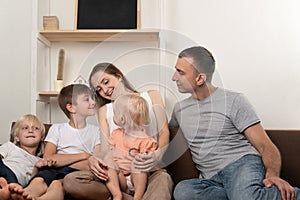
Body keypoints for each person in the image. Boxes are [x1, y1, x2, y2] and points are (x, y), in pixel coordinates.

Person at [169, 46, 300, 200]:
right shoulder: (179, 110)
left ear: (200, 79)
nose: (174, 77)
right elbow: (165, 135)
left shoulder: (234, 100)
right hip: (210, 179)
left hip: (241, 164)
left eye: (180, 72)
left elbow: (265, 145)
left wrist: (273, 176)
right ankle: (242, 196)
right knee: (183, 192)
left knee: (244, 196)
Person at [63, 62, 173, 200]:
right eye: (99, 89)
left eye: (106, 82)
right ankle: (123, 196)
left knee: (164, 179)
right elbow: (105, 149)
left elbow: (164, 132)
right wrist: (93, 159)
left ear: (118, 76)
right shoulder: (105, 111)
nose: (105, 90)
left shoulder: (152, 96)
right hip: (117, 175)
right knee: (71, 181)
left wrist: (157, 155)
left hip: (147, 170)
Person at [10, 84, 101, 200]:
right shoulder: (57, 129)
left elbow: (95, 162)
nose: (93, 103)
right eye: (87, 99)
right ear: (71, 108)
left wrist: (62, 161)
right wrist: (84, 155)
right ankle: (23, 194)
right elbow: (48, 158)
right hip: (52, 169)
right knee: (39, 180)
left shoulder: (96, 131)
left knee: (57, 184)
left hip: (76, 173)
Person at [105, 94, 157, 200]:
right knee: (108, 162)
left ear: (122, 119)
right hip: (119, 178)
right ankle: (117, 194)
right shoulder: (116, 134)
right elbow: (108, 150)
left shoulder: (146, 141)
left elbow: (149, 162)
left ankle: (137, 196)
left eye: (114, 113)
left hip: (136, 179)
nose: (113, 116)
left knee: (138, 165)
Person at [0, 114, 54, 200]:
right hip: (4, 171)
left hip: (18, 184)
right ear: (17, 137)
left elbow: (33, 182)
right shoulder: (10, 147)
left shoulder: (40, 161)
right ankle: (9, 185)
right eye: (25, 128)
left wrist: (36, 168)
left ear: (42, 137)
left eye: (36, 128)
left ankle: (6, 190)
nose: (31, 130)